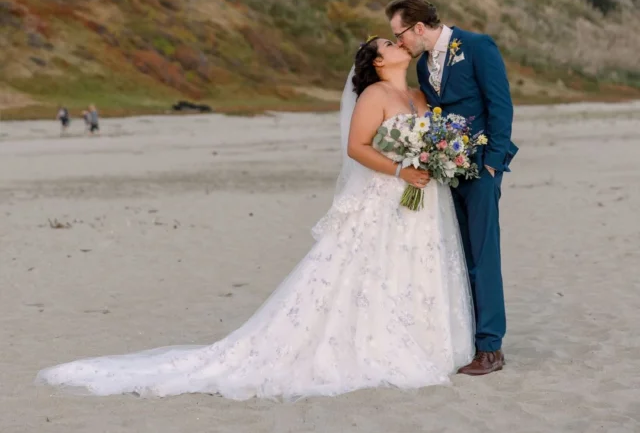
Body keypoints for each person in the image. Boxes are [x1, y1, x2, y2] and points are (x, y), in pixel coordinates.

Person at [36, 38, 474, 399]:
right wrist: (401, 169)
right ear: (378, 61)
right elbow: (357, 147)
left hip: (422, 198)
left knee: (414, 265)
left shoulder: (418, 96)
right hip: (388, 192)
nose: (400, 44)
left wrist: (437, 161)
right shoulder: (375, 95)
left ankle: (422, 339)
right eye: (390, 44)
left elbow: (434, 133)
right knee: (368, 270)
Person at [386, 0, 518, 376]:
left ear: (419, 28)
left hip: (481, 169)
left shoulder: (477, 47)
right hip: (448, 171)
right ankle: (468, 339)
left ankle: (491, 348)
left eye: (400, 35)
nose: (399, 43)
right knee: (459, 257)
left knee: (483, 255)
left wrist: (493, 164)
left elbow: (500, 105)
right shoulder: (426, 65)